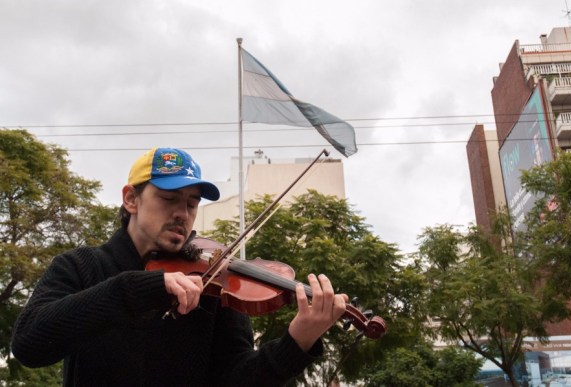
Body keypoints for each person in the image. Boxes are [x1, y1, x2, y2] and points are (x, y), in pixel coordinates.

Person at [11, 147, 348, 386]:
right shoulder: (81, 266)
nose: (182, 214)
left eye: (191, 203)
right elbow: (29, 343)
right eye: (169, 199)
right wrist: (137, 289)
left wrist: (297, 341)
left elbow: (236, 378)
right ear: (131, 199)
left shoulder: (214, 281)